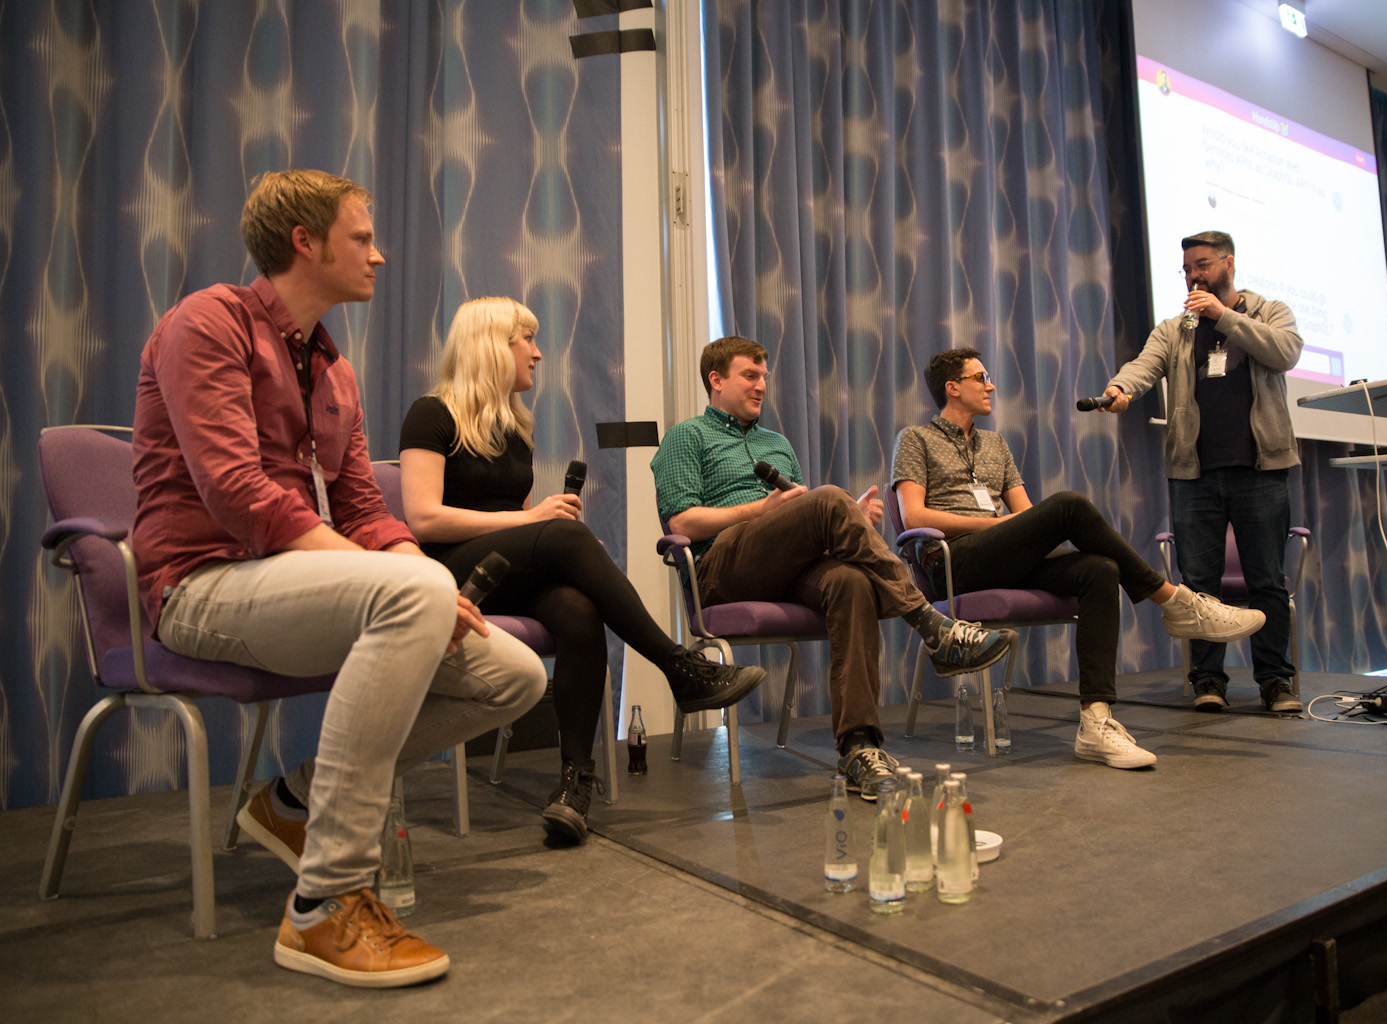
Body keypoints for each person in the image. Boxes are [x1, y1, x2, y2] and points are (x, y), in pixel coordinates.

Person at [133, 170, 548, 988]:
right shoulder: (207, 324)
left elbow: (363, 504)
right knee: (416, 589)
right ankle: (324, 901)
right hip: (202, 585)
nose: (379, 255)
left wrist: (424, 582)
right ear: (305, 242)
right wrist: (405, 582)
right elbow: (235, 492)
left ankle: (291, 803)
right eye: (362, 238)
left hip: (290, 583)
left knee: (514, 673)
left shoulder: (333, 369)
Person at [397, 297, 766, 843]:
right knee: (566, 533)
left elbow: (508, 521)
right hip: (450, 575)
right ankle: (677, 665)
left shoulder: (513, 427)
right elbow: (423, 518)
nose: (538, 353)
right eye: (528, 339)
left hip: (502, 567)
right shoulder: (432, 414)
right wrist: (537, 523)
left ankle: (574, 785)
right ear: (493, 344)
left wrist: (536, 524)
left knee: (577, 608)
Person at [650, 336, 1017, 799]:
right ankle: (931, 624)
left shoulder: (776, 443)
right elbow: (682, 519)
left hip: (783, 568)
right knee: (826, 499)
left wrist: (852, 521)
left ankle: (858, 747)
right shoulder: (688, 436)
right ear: (716, 380)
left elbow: (802, 521)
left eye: (765, 376)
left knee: (848, 581)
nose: (762, 385)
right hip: (721, 568)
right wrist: (763, 510)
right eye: (750, 375)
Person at [893, 349, 1268, 769]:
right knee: (1069, 505)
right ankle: (1175, 602)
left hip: (1004, 556)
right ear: (953, 388)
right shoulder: (915, 439)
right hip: (955, 563)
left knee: (1099, 570)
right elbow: (915, 516)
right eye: (980, 378)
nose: (990, 385)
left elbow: (1028, 515)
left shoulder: (995, 445)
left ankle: (1096, 721)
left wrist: (1018, 528)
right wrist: (996, 526)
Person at [1102, 230, 1303, 713]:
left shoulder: (1269, 311)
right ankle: (1208, 681)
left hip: (1261, 471)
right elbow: (1144, 366)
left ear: (1229, 263)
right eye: (1188, 268)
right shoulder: (1176, 328)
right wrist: (1120, 388)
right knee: (1198, 587)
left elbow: (1285, 352)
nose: (1195, 275)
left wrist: (1223, 317)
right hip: (1195, 476)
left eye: (1204, 265)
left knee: (1267, 582)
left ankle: (1275, 682)